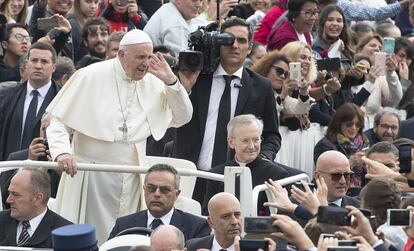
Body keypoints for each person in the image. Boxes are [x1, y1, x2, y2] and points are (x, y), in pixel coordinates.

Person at [46, 28, 193, 244]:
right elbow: (57, 120)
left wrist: (172, 82)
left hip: (133, 177)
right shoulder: (90, 75)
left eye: (149, 56)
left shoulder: (154, 82)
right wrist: (62, 153)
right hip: (92, 175)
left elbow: (183, 117)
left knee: (127, 240)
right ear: (122, 55)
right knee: (89, 237)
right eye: (140, 57)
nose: (146, 63)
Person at [172, 17, 281, 204]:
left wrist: (258, 158)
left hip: (236, 178)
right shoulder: (196, 78)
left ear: (249, 47)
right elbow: (172, 116)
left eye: (241, 40)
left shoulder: (261, 87)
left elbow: (272, 136)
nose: (234, 45)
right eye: (228, 39)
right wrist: (184, 87)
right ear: (218, 43)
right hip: (191, 175)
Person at [202, 114, 289, 215]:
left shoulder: (276, 174)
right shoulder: (216, 174)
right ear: (231, 142)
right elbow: (208, 214)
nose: (251, 146)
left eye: (256, 140)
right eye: (245, 141)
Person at [108, 164, 211, 241]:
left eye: (165, 189)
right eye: (151, 188)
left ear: (177, 194)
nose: (157, 194)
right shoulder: (123, 225)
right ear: (144, 189)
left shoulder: (197, 227)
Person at [0, 42, 60, 161]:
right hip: (8, 168)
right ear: (27, 64)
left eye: (44, 61)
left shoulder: (62, 99)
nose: (38, 66)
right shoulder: (7, 95)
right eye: (34, 60)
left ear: (53, 67)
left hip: (45, 171)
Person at [0, 167, 72, 247]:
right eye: (9, 193)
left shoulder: (66, 233)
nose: (8, 200)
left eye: (16, 195)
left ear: (38, 198)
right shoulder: (2, 220)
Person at [314, 103, 369, 189]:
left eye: (357, 124)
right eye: (349, 124)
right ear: (339, 124)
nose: (354, 128)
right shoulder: (325, 145)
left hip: (360, 191)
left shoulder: (364, 142)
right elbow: (324, 174)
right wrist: (350, 163)